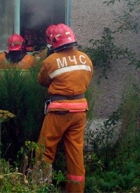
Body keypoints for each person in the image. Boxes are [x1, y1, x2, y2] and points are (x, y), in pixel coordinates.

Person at [36, 24, 93, 193]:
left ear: (53, 42)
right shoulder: (86, 58)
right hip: (80, 111)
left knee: (44, 151)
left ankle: (40, 187)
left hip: (59, 112)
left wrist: (49, 57)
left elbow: (42, 81)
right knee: (76, 155)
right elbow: (86, 80)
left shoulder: (51, 61)